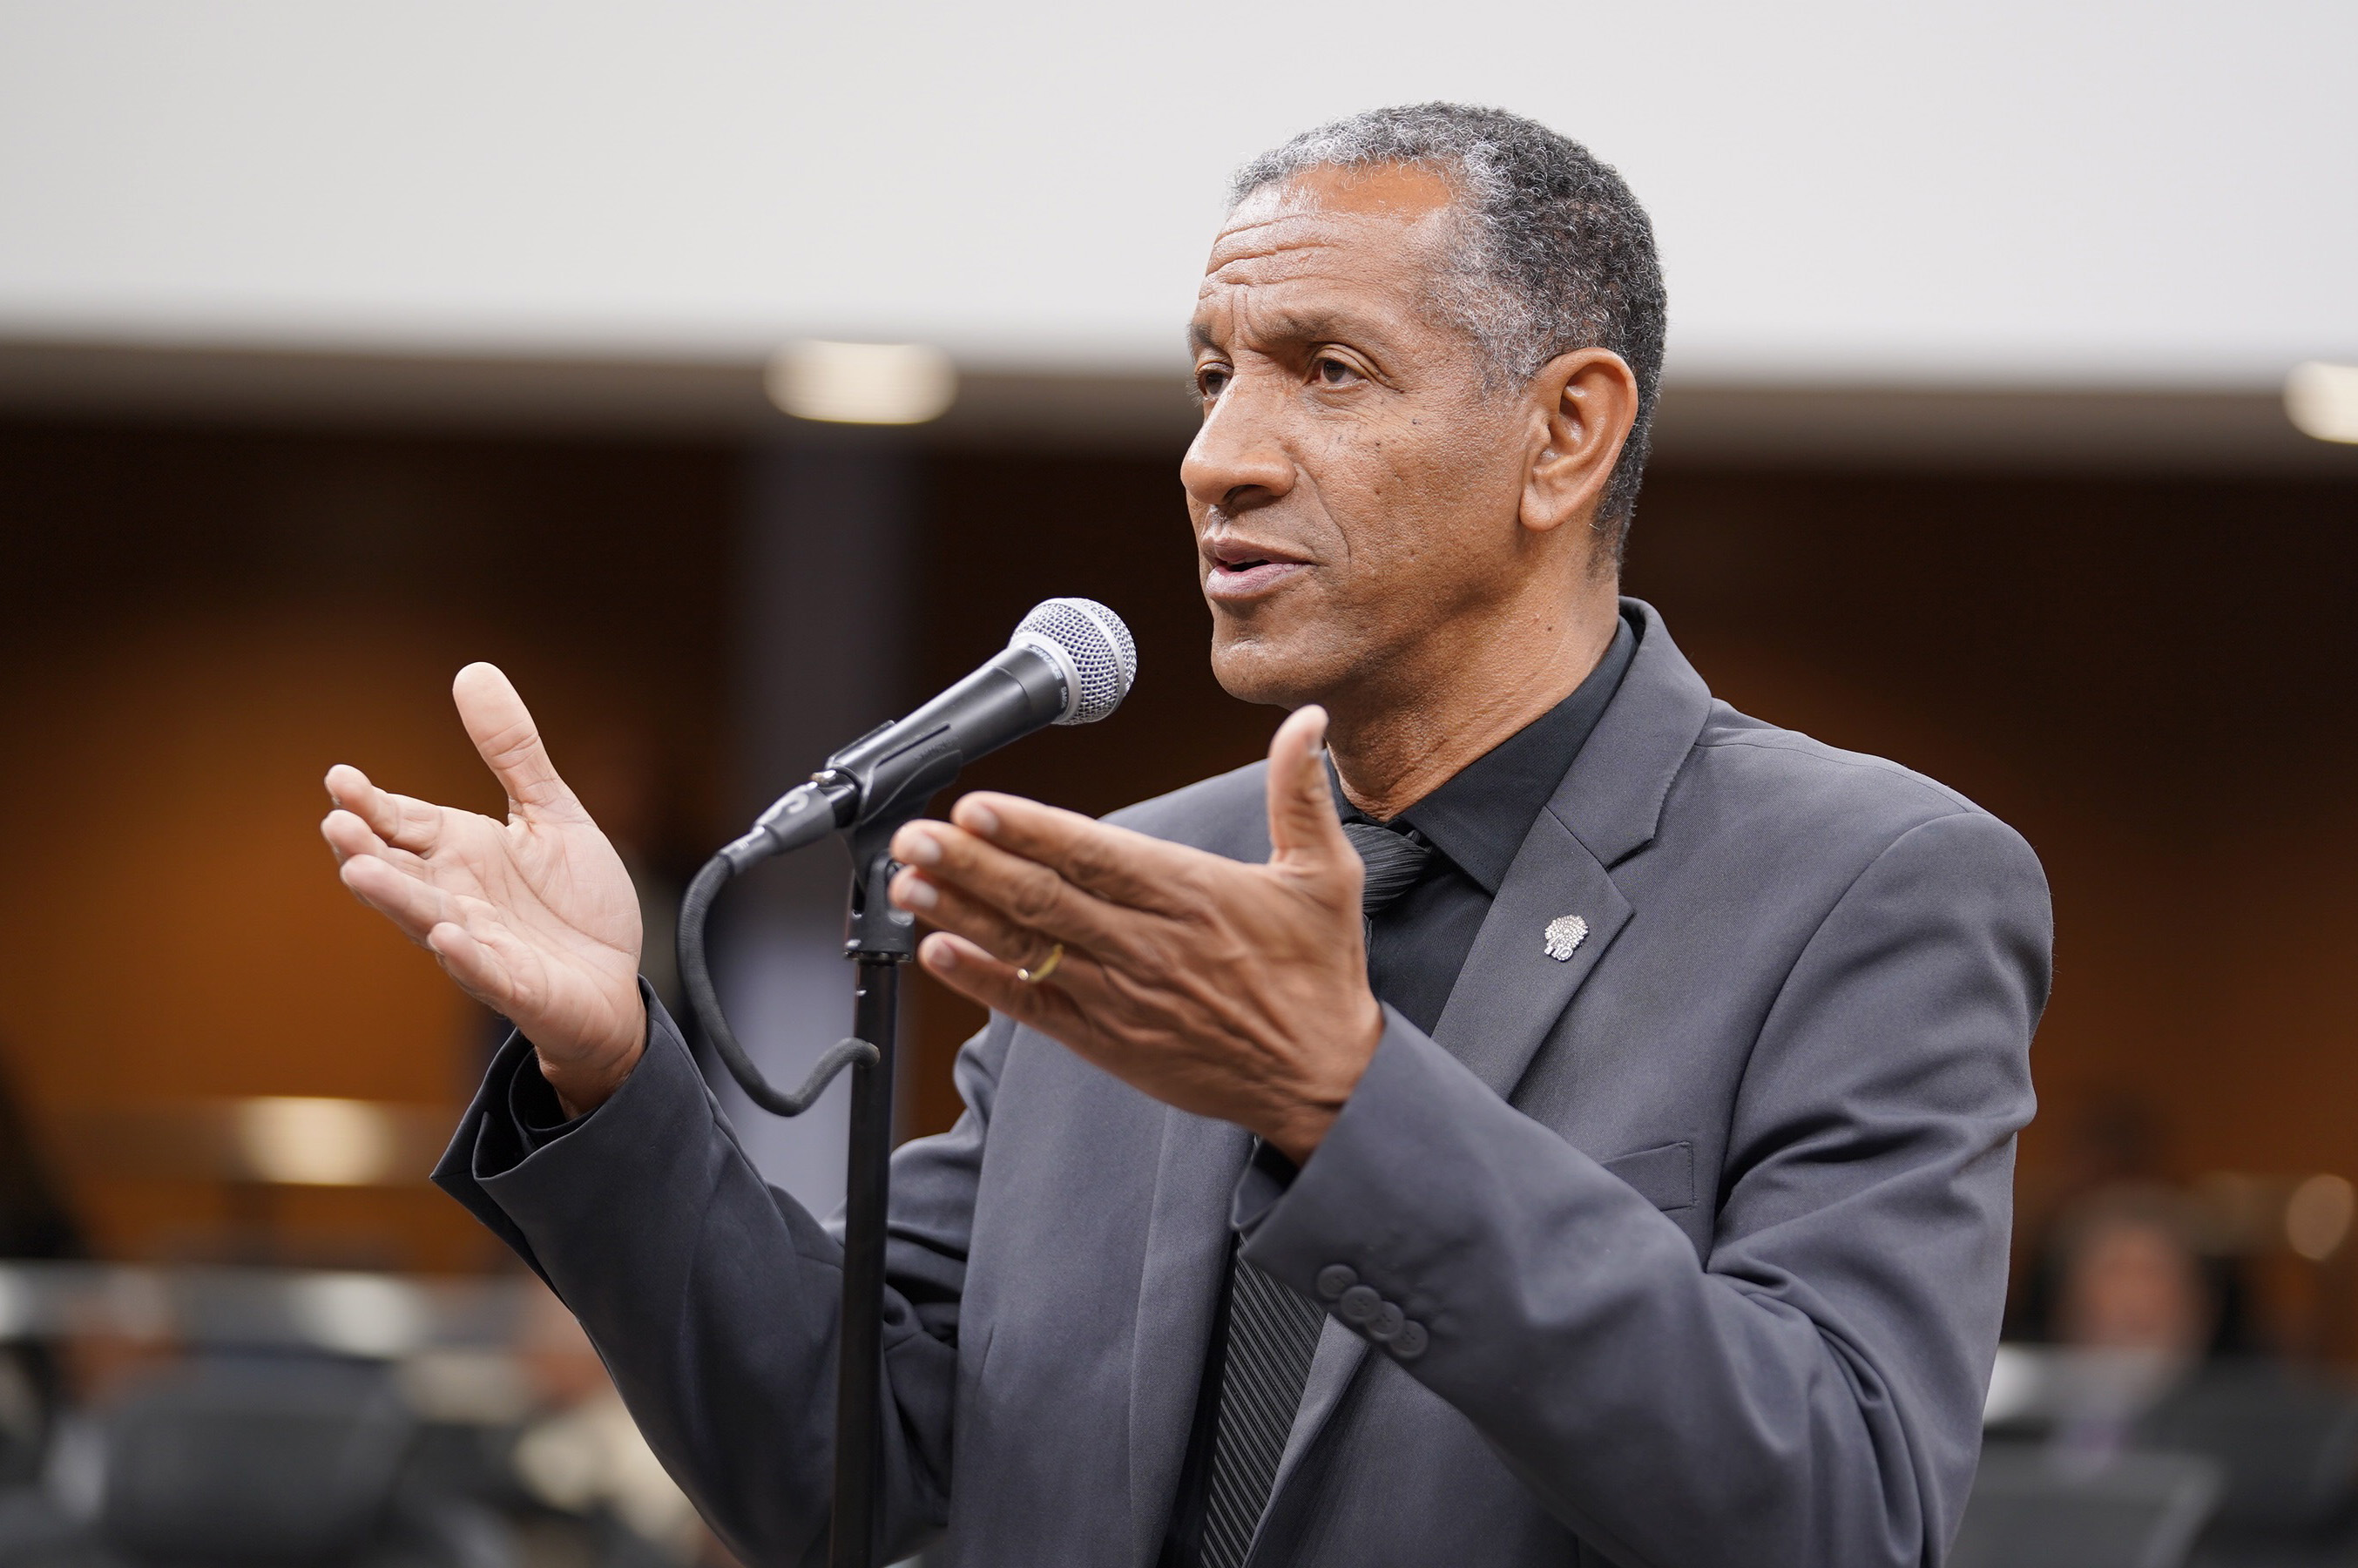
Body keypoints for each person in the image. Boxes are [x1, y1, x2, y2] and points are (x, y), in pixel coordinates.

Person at [321, 105, 2051, 1567]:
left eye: (1326, 371)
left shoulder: (1864, 887)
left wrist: (1350, 1106)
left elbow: (1842, 1504)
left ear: (1564, 433)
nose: (1216, 459)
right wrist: (616, 1073)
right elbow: (844, 1454)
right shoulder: (1141, 882)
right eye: (1212, 377)